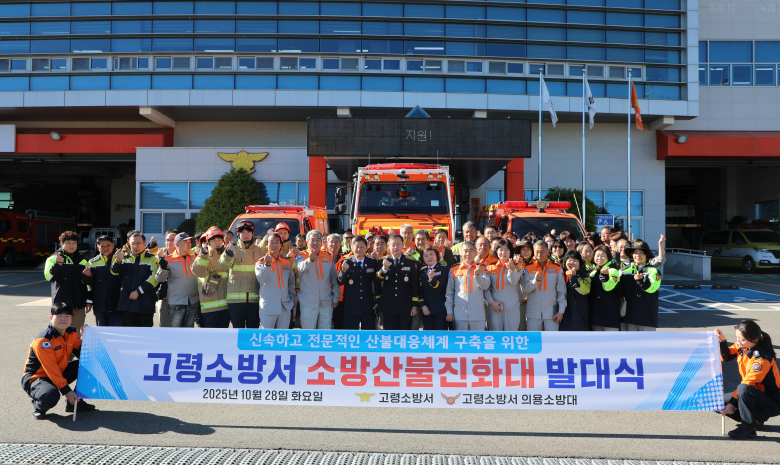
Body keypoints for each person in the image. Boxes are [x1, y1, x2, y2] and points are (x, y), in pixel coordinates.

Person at [22, 302, 96, 419]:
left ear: (71, 319)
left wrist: (87, 338)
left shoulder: (72, 332)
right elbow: (51, 369)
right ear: (51, 318)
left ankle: (75, 402)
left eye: (67, 316)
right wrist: (67, 391)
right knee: (50, 396)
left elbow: (83, 354)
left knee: (91, 364)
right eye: (59, 316)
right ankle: (39, 406)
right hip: (37, 377)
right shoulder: (44, 340)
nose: (63, 319)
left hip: (60, 371)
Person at [717, 320, 780, 439]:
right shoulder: (742, 346)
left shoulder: (762, 358)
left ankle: (748, 427)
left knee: (743, 388)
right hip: (753, 394)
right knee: (716, 401)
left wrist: (732, 404)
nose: (738, 341)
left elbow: (748, 383)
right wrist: (722, 341)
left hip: (772, 401)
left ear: (755, 340)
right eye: (737, 337)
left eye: (741, 339)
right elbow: (726, 357)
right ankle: (755, 420)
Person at [44, 231, 90, 332]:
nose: (71, 246)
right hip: (61, 305)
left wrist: (89, 300)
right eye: (68, 243)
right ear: (61, 244)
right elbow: (49, 277)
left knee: (76, 334)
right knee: (60, 333)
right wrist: (58, 264)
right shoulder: (53, 259)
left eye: (74, 243)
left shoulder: (83, 261)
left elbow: (87, 284)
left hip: (79, 304)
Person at [112, 232, 161, 327]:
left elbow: (155, 278)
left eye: (138, 243)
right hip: (128, 304)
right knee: (129, 333)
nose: (135, 246)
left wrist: (138, 291)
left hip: (145, 303)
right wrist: (117, 261)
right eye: (133, 243)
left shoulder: (152, 259)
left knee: (146, 333)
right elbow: (114, 273)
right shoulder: (124, 259)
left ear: (144, 244)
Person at [191, 227, 234, 328]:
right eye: (213, 240)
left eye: (219, 239)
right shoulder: (204, 254)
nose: (217, 242)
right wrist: (203, 254)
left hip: (225, 304)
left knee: (223, 334)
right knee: (210, 335)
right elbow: (198, 271)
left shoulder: (228, 253)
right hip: (209, 305)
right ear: (208, 242)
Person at [225, 220, 264, 329]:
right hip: (235, 301)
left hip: (255, 300)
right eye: (242, 232)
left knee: (253, 332)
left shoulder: (261, 252)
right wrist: (228, 254)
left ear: (253, 233)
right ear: (238, 234)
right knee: (238, 332)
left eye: (248, 232)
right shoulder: (231, 249)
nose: (245, 235)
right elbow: (223, 266)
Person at [298, 230, 340, 329]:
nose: (315, 242)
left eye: (318, 240)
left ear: (321, 242)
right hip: (308, 302)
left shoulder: (328, 256)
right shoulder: (301, 256)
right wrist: (310, 260)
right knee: (308, 331)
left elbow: (334, 279)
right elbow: (301, 268)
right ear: (307, 242)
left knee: (325, 331)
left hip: (326, 302)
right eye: (312, 240)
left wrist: (335, 297)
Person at [376, 234, 419, 330]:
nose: (395, 247)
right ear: (388, 246)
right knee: (389, 334)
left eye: (398, 244)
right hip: (388, 305)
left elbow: (414, 285)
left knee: (405, 334)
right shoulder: (382, 261)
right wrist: (384, 269)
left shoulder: (411, 262)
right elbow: (377, 280)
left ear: (403, 245)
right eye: (393, 244)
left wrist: (414, 305)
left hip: (405, 305)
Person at [445, 241, 490, 331]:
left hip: (478, 315)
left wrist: (478, 276)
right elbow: (449, 293)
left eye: (471, 250)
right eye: (465, 251)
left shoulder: (482, 268)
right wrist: (449, 312)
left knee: (477, 339)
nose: (468, 254)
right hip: (460, 315)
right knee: (460, 339)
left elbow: (485, 286)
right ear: (461, 253)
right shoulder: (454, 269)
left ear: (475, 253)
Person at [256, 232, 296, 329]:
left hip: (285, 306)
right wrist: (267, 265)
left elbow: (291, 282)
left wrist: (292, 300)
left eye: (277, 242)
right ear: (267, 245)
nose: (274, 245)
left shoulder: (286, 262)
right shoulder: (261, 262)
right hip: (268, 307)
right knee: (267, 336)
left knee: (282, 336)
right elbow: (261, 279)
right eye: (271, 242)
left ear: (281, 245)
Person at [523, 241, 566, 331]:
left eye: (542, 252)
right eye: (537, 252)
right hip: (533, 314)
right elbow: (526, 289)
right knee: (534, 339)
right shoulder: (528, 268)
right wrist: (535, 281)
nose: (539, 254)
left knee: (552, 339)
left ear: (548, 252)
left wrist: (561, 311)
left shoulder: (556, 268)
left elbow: (561, 292)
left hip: (552, 314)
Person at [620, 241, 662, 331]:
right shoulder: (624, 270)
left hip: (646, 316)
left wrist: (641, 281)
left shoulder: (653, 270)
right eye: (635, 252)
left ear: (646, 255)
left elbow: (653, 288)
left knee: (647, 340)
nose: (638, 255)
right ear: (632, 255)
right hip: (629, 315)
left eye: (641, 252)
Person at [339, 236, 379, 330]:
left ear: (366, 248)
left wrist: (377, 300)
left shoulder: (372, 262)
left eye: (362, 247)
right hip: (351, 305)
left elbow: (376, 282)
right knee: (351, 334)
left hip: (368, 305)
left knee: (368, 334)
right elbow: (340, 282)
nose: (359, 249)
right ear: (352, 247)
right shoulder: (346, 262)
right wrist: (343, 271)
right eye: (357, 247)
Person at [82, 235, 122, 326]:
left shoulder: (120, 260)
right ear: (98, 247)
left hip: (117, 305)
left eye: (108, 245)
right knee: (101, 332)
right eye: (102, 246)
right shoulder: (92, 262)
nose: (105, 248)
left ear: (113, 245)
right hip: (99, 305)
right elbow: (88, 285)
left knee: (116, 332)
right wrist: (86, 277)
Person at [485, 239, 525, 331]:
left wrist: (511, 270)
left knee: (511, 336)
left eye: (506, 250)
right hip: (494, 308)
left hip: (511, 308)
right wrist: (491, 302)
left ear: (510, 252)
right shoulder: (490, 266)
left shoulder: (517, 266)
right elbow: (486, 288)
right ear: (496, 251)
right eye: (501, 250)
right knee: (496, 336)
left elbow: (513, 281)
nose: (503, 253)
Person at [163, 233, 200, 327]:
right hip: (176, 303)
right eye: (185, 242)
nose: (189, 244)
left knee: (188, 332)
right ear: (177, 244)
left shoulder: (194, 258)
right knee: (175, 332)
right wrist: (162, 268)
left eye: (190, 242)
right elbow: (160, 278)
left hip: (192, 302)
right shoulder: (168, 259)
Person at [589, 245, 621, 331]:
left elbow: (608, 288)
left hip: (610, 314)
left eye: (603, 255)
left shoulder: (613, 271)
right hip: (595, 315)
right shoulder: (592, 273)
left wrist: (605, 276)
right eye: (597, 255)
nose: (599, 258)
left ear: (608, 258)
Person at [418, 246, 449, 331]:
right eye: (426, 255)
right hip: (426, 310)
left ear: (436, 255)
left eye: (431, 254)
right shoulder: (422, 271)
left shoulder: (444, 269)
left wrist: (432, 279)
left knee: (440, 335)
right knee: (428, 336)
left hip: (440, 310)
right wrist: (423, 305)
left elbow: (440, 287)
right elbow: (420, 290)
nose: (429, 257)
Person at [559, 250, 591, 331]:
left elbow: (583, 291)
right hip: (563, 314)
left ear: (580, 263)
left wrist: (573, 278)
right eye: (569, 260)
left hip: (579, 314)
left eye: (575, 261)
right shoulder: (561, 275)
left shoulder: (584, 276)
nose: (572, 263)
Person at [155, 229, 178, 327]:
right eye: (167, 240)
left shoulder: (183, 256)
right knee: (164, 324)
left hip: (179, 296)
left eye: (173, 240)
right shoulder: (158, 256)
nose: (169, 242)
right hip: (164, 296)